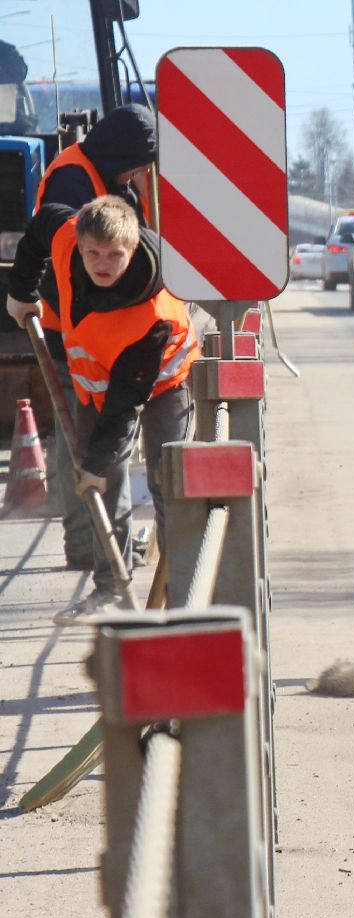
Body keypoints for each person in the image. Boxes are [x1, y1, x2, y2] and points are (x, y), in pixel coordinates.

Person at [6, 194, 198, 623]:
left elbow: (126, 405)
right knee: (105, 483)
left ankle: (182, 591)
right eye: (93, 253)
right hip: (94, 381)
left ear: (132, 248)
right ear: (79, 243)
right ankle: (110, 587)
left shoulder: (151, 314)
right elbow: (39, 227)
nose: (102, 264)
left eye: (114, 255)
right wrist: (22, 291)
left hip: (163, 380)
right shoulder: (67, 234)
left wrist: (96, 462)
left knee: (166, 476)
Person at [33, 104, 158, 570]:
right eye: (137, 165)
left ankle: (104, 546)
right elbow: (62, 256)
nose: (139, 174)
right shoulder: (73, 178)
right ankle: (88, 545)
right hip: (75, 331)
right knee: (82, 439)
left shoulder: (107, 176)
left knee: (99, 438)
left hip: (105, 332)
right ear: (120, 154)